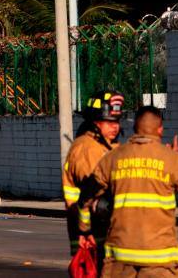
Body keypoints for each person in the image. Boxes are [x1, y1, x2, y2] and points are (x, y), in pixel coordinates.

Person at [78, 105, 178, 277]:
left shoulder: (112, 158)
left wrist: (85, 229)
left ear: (135, 127)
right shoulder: (172, 159)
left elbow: (86, 197)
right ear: (160, 129)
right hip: (159, 259)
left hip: (120, 257)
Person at [63, 90, 126, 259]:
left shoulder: (110, 146)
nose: (115, 126)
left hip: (106, 233)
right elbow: (94, 194)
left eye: (117, 121)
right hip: (91, 235)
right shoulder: (87, 149)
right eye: (109, 122)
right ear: (95, 122)